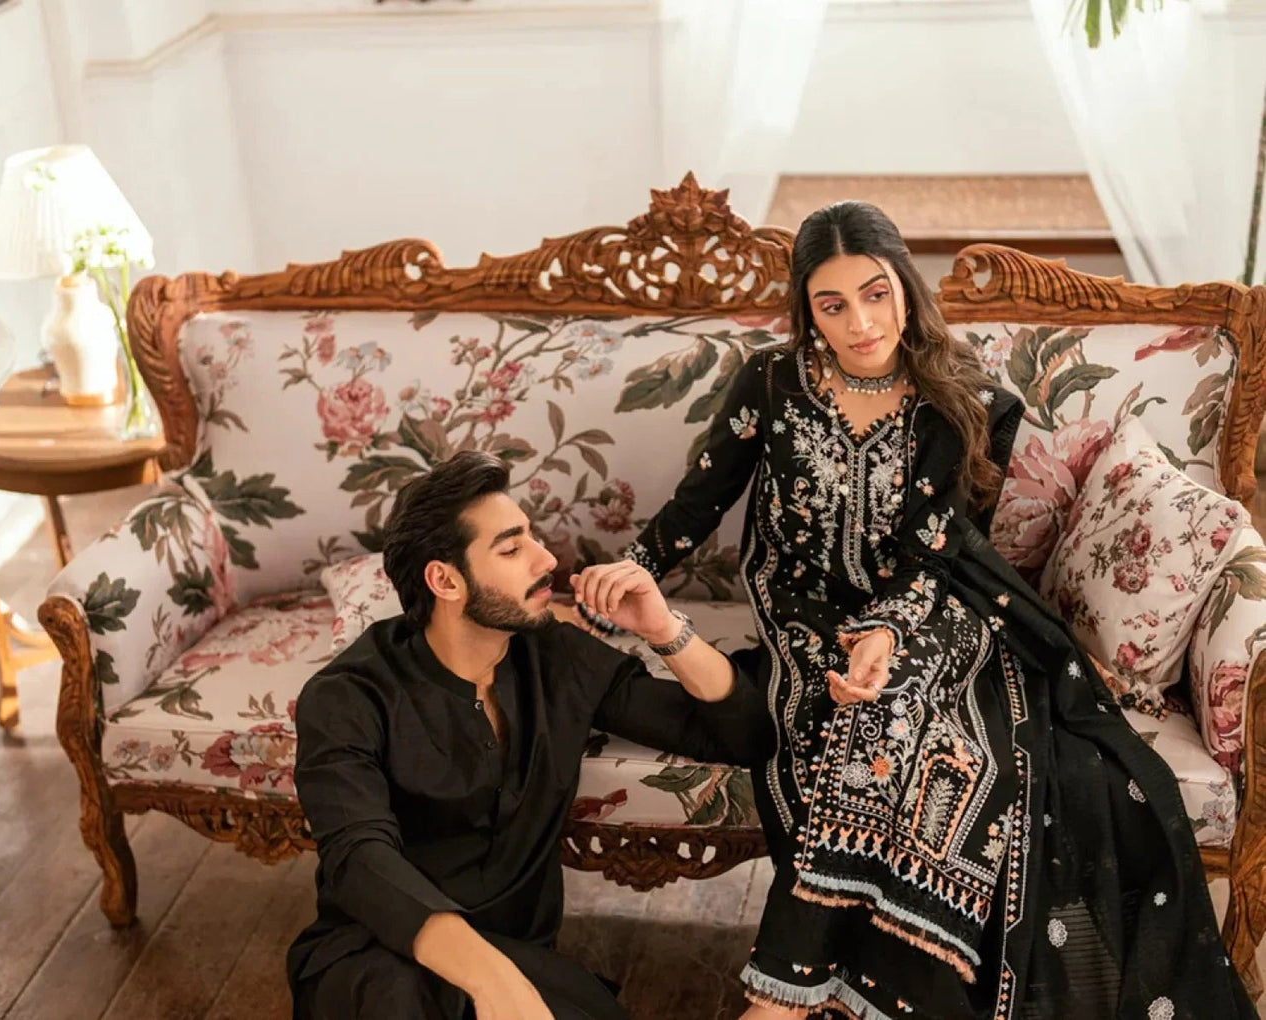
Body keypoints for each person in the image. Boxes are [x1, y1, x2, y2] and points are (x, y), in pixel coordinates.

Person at [619, 200, 1256, 1019]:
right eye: (832, 303)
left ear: (904, 290)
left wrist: (887, 630)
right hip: (803, 614)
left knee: (894, 717)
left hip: (937, 606)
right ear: (804, 309)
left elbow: (947, 546)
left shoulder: (962, 397)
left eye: (875, 293)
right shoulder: (771, 385)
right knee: (850, 717)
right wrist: (617, 584)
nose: (859, 322)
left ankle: (781, 998)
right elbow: (696, 503)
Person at [287, 450, 773, 1019]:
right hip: (376, 958)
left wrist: (664, 628)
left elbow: (742, 736)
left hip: (519, 958)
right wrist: (493, 982)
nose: (546, 558)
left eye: (532, 538)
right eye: (512, 548)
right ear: (444, 580)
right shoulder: (347, 697)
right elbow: (359, 860)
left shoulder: (556, 657)